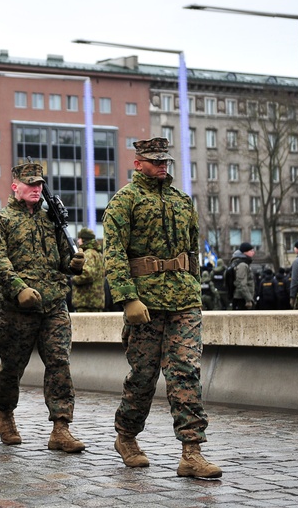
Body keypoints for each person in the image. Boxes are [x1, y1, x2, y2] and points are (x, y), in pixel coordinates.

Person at [102, 137, 221, 479]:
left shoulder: (182, 201)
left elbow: (193, 251)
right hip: (146, 302)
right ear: (138, 163)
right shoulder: (125, 201)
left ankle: (192, 451)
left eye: (165, 159)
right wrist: (128, 298)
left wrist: (195, 289)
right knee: (143, 376)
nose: (162, 165)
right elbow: (115, 254)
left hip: (184, 300)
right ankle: (126, 436)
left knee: (186, 372)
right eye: (155, 160)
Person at [0, 161, 87, 454]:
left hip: (53, 305)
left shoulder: (50, 220)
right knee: (12, 368)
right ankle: (5, 414)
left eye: (39, 184)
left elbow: (63, 260)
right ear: (15, 186)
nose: (36, 189)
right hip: (18, 309)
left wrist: (74, 264)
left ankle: (61, 427)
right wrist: (18, 289)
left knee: (59, 363)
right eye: (30, 184)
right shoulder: (0, 221)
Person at [72, 228, 105, 312]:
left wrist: (72, 278)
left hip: (86, 300)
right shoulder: (98, 254)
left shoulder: (88, 254)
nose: (78, 241)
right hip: (95, 300)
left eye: (79, 239)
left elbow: (87, 274)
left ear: (83, 239)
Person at [230, 243, 256, 310]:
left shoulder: (244, 263)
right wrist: (248, 299)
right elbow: (241, 283)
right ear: (245, 252)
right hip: (242, 299)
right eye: (251, 251)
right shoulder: (242, 265)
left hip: (243, 297)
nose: (253, 252)